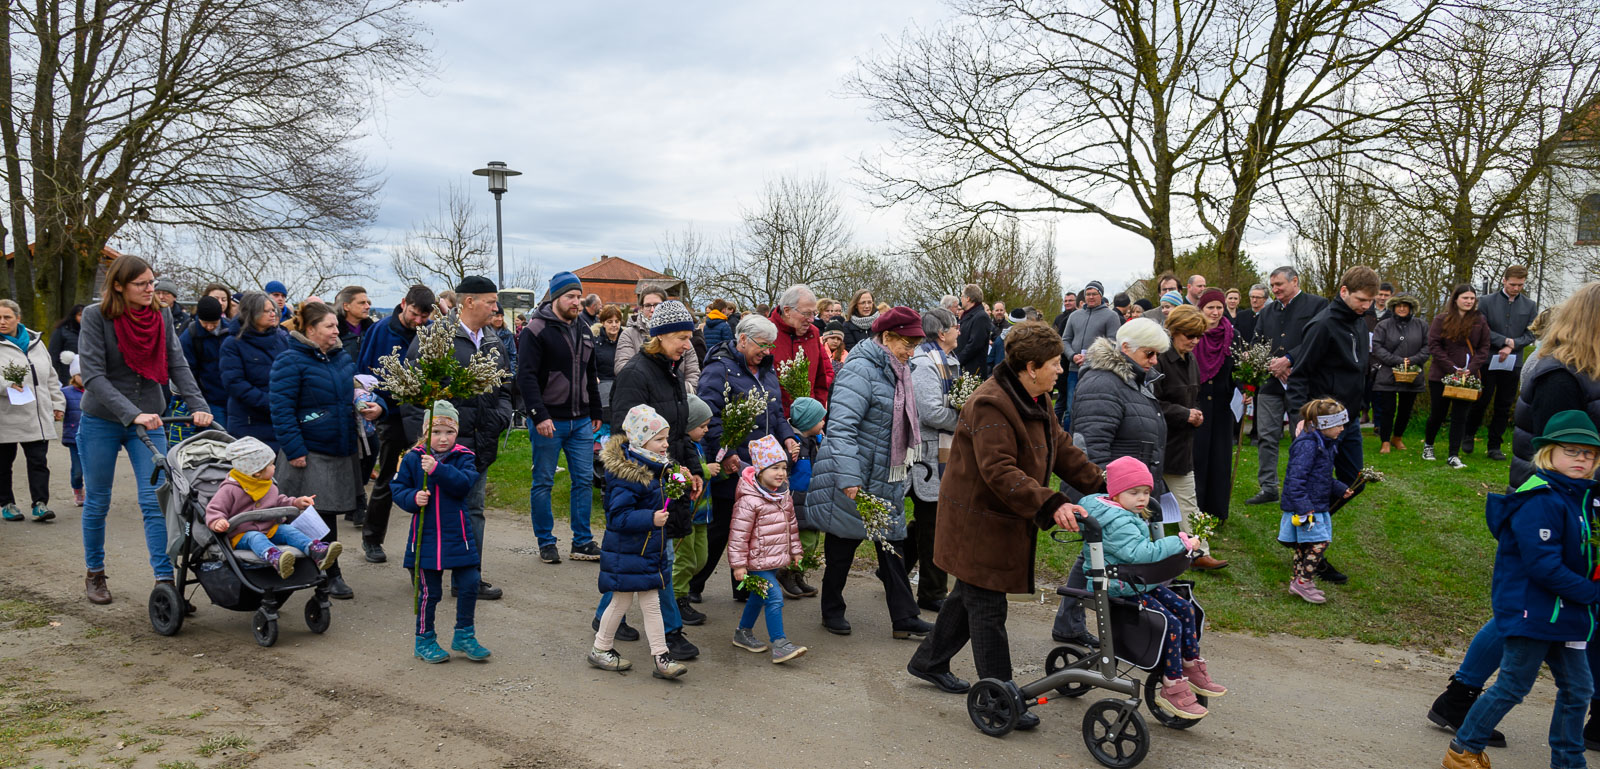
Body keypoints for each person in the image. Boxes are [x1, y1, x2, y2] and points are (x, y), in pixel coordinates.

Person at [1429, 285, 1600, 747]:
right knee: (1526, 611)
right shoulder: (1561, 376)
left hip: (1578, 506)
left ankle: (1460, 699)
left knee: (1549, 607)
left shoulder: (1586, 372)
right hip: (1551, 505)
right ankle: (1462, 699)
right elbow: (1563, 453)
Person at [907, 321, 1102, 709]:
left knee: (969, 596)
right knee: (988, 608)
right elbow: (999, 470)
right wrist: (1052, 503)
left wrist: (1102, 483)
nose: (1060, 370)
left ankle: (929, 661)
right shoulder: (991, 403)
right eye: (1054, 364)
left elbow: (1060, 446)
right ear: (1031, 367)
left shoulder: (1037, 398)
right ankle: (999, 696)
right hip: (976, 524)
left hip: (1000, 520)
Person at [1441, 411, 1600, 769]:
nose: (1582, 459)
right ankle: (1463, 751)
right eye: (1572, 451)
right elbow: (1543, 565)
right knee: (1513, 686)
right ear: (1548, 453)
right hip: (1533, 611)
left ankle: (1569, 761)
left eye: (1590, 454)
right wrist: (1592, 593)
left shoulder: (1584, 499)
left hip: (1568, 615)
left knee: (1578, 691)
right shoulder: (1541, 498)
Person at [78, 254, 214, 604]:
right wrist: (132, 413)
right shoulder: (96, 317)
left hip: (152, 417)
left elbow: (177, 363)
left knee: (155, 501)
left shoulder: (161, 314)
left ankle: (164, 579)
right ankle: (95, 572)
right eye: (141, 284)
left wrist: (200, 407)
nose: (150, 289)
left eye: (152, 282)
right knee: (98, 500)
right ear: (119, 286)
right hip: (102, 419)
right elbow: (92, 376)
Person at [805, 307, 933, 639]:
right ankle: (831, 609)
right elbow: (842, 428)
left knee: (893, 545)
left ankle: (904, 618)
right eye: (908, 344)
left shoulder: (898, 370)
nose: (911, 352)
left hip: (888, 474)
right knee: (842, 547)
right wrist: (849, 477)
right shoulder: (860, 371)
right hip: (857, 472)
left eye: (916, 345)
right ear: (887, 338)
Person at [595, 300, 706, 661]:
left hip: (666, 475)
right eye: (680, 338)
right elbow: (627, 440)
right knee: (660, 559)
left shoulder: (672, 374)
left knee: (639, 560)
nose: (687, 345)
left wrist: (691, 468)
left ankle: (604, 617)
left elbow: (677, 433)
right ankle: (670, 634)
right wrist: (664, 476)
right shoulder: (635, 375)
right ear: (658, 337)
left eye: (689, 337)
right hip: (642, 485)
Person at [1052, 317, 1169, 645]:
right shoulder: (1104, 383)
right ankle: (1078, 621)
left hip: (1128, 490)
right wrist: (1113, 494)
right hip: (1110, 489)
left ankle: (1070, 621)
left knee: (1095, 553)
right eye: (1149, 354)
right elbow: (1091, 445)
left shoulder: (1135, 380)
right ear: (1127, 349)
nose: (1154, 360)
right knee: (1097, 554)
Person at [1081, 456, 1225, 720]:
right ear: (1114, 494)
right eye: (1134, 492)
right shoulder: (1117, 521)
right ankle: (1171, 687)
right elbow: (1139, 553)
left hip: (1136, 581)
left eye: (1146, 492)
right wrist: (1179, 542)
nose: (1142, 499)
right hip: (1118, 585)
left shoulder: (1126, 512)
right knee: (1170, 623)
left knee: (1184, 609)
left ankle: (1190, 666)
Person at [405, 277, 512, 600]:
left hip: (478, 445)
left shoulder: (493, 341)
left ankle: (468, 578)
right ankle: (425, 571)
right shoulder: (435, 338)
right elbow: (412, 393)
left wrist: (500, 417)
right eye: (491, 301)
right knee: (434, 509)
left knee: (473, 510)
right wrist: (421, 441)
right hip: (437, 449)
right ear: (469, 302)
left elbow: (506, 386)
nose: (496, 308)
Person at [270, 300, 380, 600]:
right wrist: (294, 449)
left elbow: (350, 391)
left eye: (336, 326)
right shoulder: (289, 361)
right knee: (313, 516)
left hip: (340, 446)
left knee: (328, 515)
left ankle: (323, 573)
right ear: (310, 329)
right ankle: (326, 575)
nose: (336, 331)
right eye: (330, 326)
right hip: (309, 450)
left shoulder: (341, 357)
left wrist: (364, 404)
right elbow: (281, 410)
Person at [692, 314, 798, 604]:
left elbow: (775, 411)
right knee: (723, 528)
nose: (766, 351)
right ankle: (691, 586)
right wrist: (723, 453)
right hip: (734, 461)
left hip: (761, 464)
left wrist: (787, 436)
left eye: (770, 346)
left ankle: (744, 589)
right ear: (742, 340)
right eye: (762, 345)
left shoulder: (766, 370)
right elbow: (708, 414)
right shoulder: (719, 369)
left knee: (752, 529)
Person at [588, 404, 688, 681]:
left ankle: (661, 657)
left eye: (666, 438)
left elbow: (668, 482)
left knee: (649, 603)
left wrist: (684, 479)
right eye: (659, 439)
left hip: (645, 553)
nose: (665, 444)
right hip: (628, 553)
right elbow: (617, 518)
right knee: (620, 604)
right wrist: (650, 518)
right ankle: (602, 648)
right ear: (642, 441)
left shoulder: (655, 466)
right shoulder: (628, 475)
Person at [390, 401, 491, 664]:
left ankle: (464, 634)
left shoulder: (465, 456)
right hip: (427, 538)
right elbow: (398, 489)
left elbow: (464, 485)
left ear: (457, 432)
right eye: (436, 432)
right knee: (429, 593)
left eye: (449, 432)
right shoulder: (413, 458)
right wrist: (413, 498)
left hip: (458, 534)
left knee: (469, 583)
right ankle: (424, 639)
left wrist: (437, 469)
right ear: (425, 433)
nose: (443, 438)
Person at [519, 271, 604, 564]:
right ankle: (546, 541)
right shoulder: (536, 329)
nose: (576, 302)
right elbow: (526, 377)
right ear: (556, 297)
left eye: (579, 296)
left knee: (583, 480)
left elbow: (589, 374)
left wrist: (596, 410)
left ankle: (582, 541)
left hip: (581, 420)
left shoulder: (584, 329)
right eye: (570, 296)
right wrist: (538, 415)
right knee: (543, 481)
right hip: (548, 421)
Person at [356, 285, 435, 564]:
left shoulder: (431, 331)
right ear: (403, 304)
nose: (418, 321)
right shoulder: (380, 331)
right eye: (414, 314)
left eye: (424, 317)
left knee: (428, 480)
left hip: (422, 415)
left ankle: (427, 546)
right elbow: (364, 373)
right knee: (389, 478)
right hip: (390, 415)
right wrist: (373, 403)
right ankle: (372, 538)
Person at [1285, 265, 1379, 486]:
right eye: (1361, 300)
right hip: (1323, 418)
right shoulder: (1322, 325)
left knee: (1354, 483)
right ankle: (1304, 521)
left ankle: (1319, 520)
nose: (1366, 306)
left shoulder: (1360, 322)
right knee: (1313, 485)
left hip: (1351, 417)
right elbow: (1299, 375)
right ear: (1344, 291)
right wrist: (1300, 418)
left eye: (1370, 301)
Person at [1247, 266, 1328, 505]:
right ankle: (1269, 487)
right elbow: (1256, 342)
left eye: (1279, 285)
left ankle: (1301, 486)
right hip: (1271, 384)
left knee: (1303, 436)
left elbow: (1318, 340)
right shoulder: (1267, 311)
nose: (1275, 290)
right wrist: (1271, 363)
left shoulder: (1317, 305)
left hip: (1302, 384)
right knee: (1267, 436)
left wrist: (1290, 359)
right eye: (1272, 286)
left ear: (1295, 281)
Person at [203, 437, 338, 579]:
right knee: (255, 537)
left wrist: (296, 502)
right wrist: (217, 521)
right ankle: (275, 557)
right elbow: (214, 509)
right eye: (271, 465)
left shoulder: (267, 485)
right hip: (242, 535)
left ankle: (315, 550)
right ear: (257, 472)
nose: (275, 467)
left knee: (288, 530)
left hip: (269, 528)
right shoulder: (230, 489)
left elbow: (279, 501)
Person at [1155, 305, 1226, 570]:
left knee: (1188, 500)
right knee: (1142, 503)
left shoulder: (1191, 359)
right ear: (1173, 331)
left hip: (1181, 444)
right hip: (1156, 443)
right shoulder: (1158, 358)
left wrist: (1193, 414)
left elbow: (1190, 396)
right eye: (1189, 335)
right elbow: (1151, 402)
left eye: (1198, 336)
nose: (1194, 341)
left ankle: (1199, 552)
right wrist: (1184, 413)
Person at [728, 434, 809, 664]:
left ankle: (742, 633)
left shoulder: (783, 496)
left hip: (773, 560)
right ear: (760, 471)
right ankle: (780, 643)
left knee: (758, 596)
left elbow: (792, 527)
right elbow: (738, 536)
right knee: (774, 598)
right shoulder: (749, 500)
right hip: (755, 562)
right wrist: (739, 565)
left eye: (783, 467)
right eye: (775, 468)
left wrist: (795, 552)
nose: (781, 473)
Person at [906, 307, 960, 611]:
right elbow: (931, 413)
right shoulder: (925, 364)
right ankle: (932, 593)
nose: (960, 330)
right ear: (941, 333)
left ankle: (894, 568)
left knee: (931, 522)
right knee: (935, 525)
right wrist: (965, 419)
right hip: (927, 456)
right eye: (955, 326)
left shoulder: (950, 361)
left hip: (945, 452)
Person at [1279, 398, 1355, 604]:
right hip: (1307, 507)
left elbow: (1320, 476)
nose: (1342, 429)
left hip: (1314, 504)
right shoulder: (1308, 446)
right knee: (1320, 543)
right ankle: (1303, 582)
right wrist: (1304, 508)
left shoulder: (1325, 444)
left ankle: (1298, 580)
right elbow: (1295, 479)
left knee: (1304, 546)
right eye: (1338, 424)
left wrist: (1339, 488)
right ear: (1324, 425)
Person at [0, 298, 65, 522]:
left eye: (7, 317)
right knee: (3, 464)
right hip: (5, 416)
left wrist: (58, 404)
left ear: (18, 318)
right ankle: (7, 504)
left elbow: (51, 377)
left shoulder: (36, 342)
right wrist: (6, 385)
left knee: (38, 461)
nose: (2, 322)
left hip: (36, 415)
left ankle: (40, 504)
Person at [1466, 265, 1539, 461]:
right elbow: (1481, 327)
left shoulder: (1530, 305)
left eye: (1520, 285)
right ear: (1504, 281)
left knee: (1504, 405)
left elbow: (1532, 332)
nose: (1516, 288)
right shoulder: (1486, 302)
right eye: (1513, 284)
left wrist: (1513, 345)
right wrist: (1504, 342)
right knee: (1481, 399)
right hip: (1488, 359)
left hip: (1513, 362)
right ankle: (1468, 435)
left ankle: (1494, 446)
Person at [1424, 284, 1492, 468]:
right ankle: (1428, 445)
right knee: (1438, 414)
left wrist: (1472, 367)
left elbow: (1484, 347)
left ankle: (1453, 454)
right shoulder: (1441, 319)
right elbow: (1435, 346)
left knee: (1460, 415)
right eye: (1465, 298)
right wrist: (1452, 368)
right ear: (1456, 299)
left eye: (1472, 298)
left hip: (1468, 377)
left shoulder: (1480, 321)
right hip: (1441, 376)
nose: (1469, 301)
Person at [1191, 289, 1236, 528]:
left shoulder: (1232, 334)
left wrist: (1246, 387)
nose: (1216, 312)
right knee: (1197, 457)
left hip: (1222, 406)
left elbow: (1238, 369)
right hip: (1196, 404)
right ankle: (1195, 508)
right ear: (1202, 309)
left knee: (1220, 458)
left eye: (1219, 307)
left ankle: (1217, 509)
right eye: (1211, 308)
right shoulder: (1193, 334)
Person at [219, 292, 288, 448]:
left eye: (274, 310)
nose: (273, 314)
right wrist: (269, 402)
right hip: (248, 421)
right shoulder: (233, 343)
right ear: (252, 313)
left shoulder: (282, 339)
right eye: (267, 311)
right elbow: (234, 382)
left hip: (280, 419)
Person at [1370, 294, 1429, 454]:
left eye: (1405, 306)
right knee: (1387, 409)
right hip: (1388, 373)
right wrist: (1396, 360)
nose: (1402, 308)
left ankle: (1398, 437)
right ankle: (1385, 441)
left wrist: (1413, 360)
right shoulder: (1383, 325)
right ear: (1394, 307)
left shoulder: (1421, 325)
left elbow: (1427, 347)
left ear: (1411, 308)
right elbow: (1377, 346)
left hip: (1412, 373)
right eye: (1398, 306)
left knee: (1405, 409)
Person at [780, 397, 825, 600]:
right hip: (797, 500)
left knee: (812, 542)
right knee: (800, 543)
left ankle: (798, 575)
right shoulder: (794, 445)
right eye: (820, 419)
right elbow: (783, 470)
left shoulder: (818, 441)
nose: (823, 422)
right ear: (808, 423)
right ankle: (786, 573)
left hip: (813, 499)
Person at [1060, 280, 1120, 431]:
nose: (1091, 297)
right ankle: (1068, 444)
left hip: (1097, 370)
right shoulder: (1074, 316)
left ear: (1101, 295)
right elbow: (1065, 340)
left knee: (1093, 410)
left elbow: (1113, 343)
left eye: (1094, 294)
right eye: (1088, 294)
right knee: (1070, 410)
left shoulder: (1111, 316)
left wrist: (1092, 357)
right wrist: (1072, 356)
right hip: (1074, 369)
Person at [767, 284, 836, 412]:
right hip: (775, 419)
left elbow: (824, 375)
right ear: (787, 311)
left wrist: (816, 411)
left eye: (813, 314)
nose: (811, 320)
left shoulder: (813, 333)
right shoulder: (765, 333)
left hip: (808, 420)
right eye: (806, 314)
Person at [615, 288, 701, 390]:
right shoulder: (629, 334)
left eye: (657, 305)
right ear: (641, 308)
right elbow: (623, 367)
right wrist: (659, 388)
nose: (652, 310)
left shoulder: (682, 337)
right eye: (647, 305)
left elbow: (693, 373)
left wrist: (679, 391)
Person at [180, 297, 229, 428]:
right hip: (208, 399)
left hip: (233, 398)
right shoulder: (190, 336)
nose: (209, 327)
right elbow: (187, 374)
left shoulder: (232, 331)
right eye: (205, 323)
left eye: (214, 323)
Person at [953, 285, 993, 377]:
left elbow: (975, 344)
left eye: (962, 296)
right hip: (965, 368)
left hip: (973, 371)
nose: (961, 299)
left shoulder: (981, 317)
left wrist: (958, 360)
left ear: (968, 298)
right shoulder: (968, 315)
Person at [593, 305, 623, 427]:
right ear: (603, 323)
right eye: (610, 322)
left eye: (617, 321)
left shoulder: (626, 341)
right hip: (602, 385)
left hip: (622, 385)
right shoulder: (595, 342)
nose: (614, 325)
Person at [47, 305, 83, 384]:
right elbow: (53, 354)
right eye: (80, 315)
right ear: (74, 316)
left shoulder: (91, 332)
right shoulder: (61, 331)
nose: (83, 318)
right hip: (66, 375)